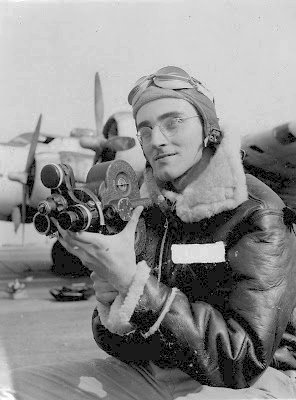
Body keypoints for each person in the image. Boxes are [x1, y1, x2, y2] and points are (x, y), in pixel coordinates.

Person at [9, 66, 296, 399]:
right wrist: (113, 296)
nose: (156, 140)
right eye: (144, 130)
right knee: (15, 388)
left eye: (173, 121)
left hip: (259, 380)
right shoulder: (150, 208)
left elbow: (244, 360)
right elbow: (122, 348)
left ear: (208, 129)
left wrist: (136, 286)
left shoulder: (258, 213)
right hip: (163, 373)